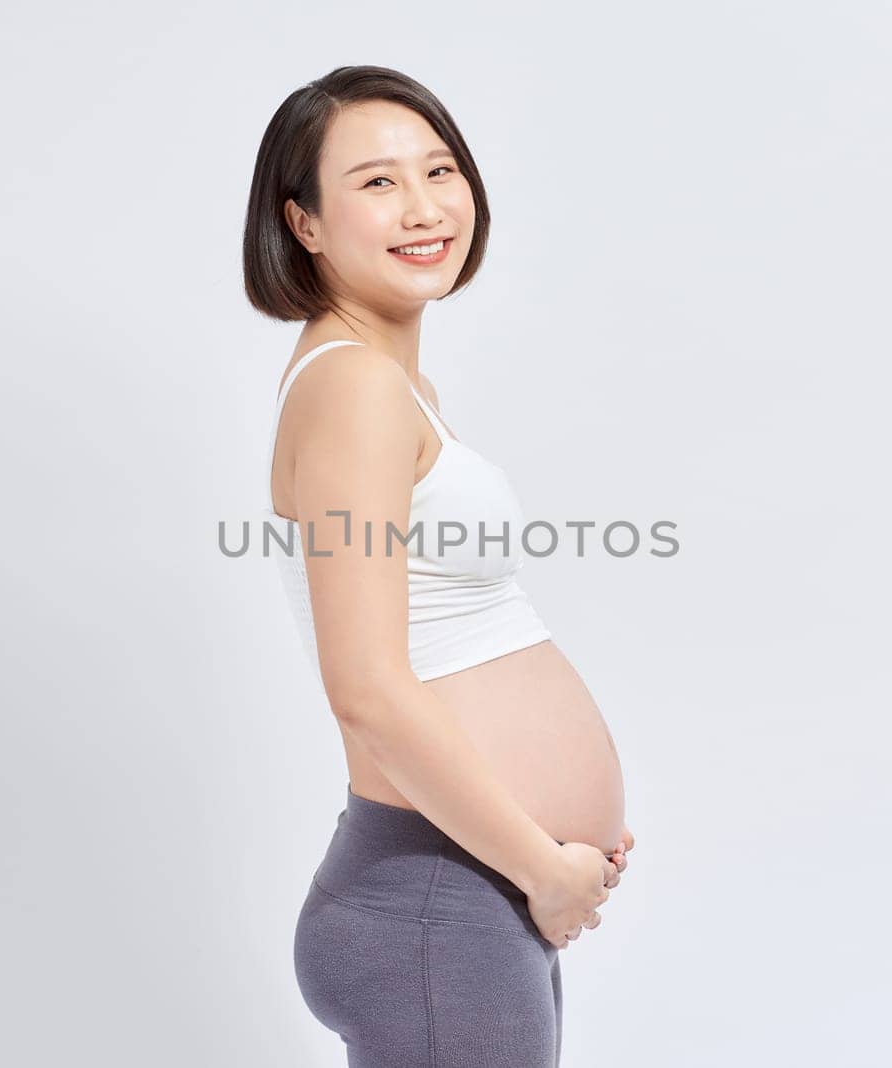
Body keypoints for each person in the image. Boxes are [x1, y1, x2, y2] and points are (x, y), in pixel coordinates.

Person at [243, 65, 634, 1067]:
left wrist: (548, 857)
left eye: (439, 169)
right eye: (375, 183)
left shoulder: (386, 383)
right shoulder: (355, 390)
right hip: (435, 899)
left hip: (462, 894)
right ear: (305, 223)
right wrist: (542, 865)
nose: (423, 208)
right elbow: (367, 687)